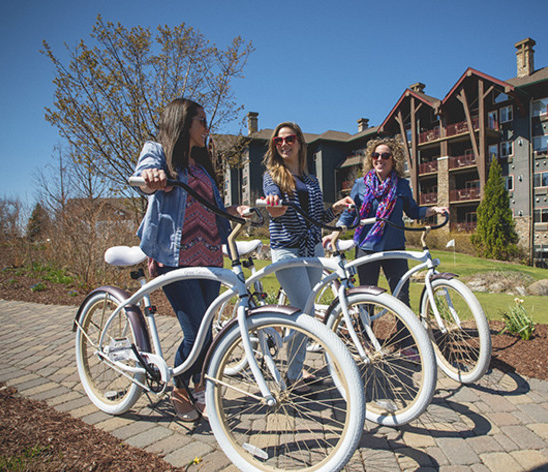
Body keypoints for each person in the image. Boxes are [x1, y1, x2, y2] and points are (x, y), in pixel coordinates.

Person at [135, 98, 247, 422]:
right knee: (194, 331)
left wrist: (233, 211)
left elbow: (211, 208)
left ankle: (198, 386)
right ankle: (179, 386)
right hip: (176, 258)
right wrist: (152, 177)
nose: (206, 128)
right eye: (202, 121)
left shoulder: (201, 167)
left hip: (210, 256)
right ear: (183, 122)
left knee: (206, 332)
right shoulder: (158, 153)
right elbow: (144, 178)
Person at [262, 122, 353, 390]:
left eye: (289, 139)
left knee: (303, 312)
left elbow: (317, 219)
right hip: (287, 251)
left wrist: (335, 208)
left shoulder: (312, 181)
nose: (284, 144)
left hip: (312, 250)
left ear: (300, 142)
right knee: (306, 310)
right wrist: (273, 206)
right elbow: (274, 207)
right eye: (278, 141)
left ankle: (294, 370)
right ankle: (291, 377)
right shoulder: (273, 176)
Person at [324, 137, 448, 307]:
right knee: (366, 296)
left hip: (395, 247)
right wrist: (335, 233)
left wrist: (433, 210)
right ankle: (365, 333)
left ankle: (404, 333)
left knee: (402, 296)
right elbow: (350, 212)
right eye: (376, 156)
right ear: (371, 159)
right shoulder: (361, 184)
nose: (380, 159)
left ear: (394, 159)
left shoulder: (402, 185)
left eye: (385, 156)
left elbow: (412, 211)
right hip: (367, 248)